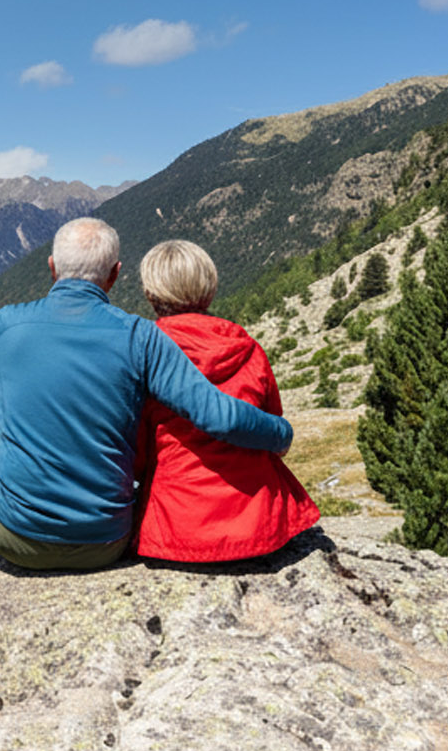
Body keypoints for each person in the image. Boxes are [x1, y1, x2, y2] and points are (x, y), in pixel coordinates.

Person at [0, 217, 294, 594]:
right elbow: (216, 415)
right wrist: (281, 434)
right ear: (114, 275)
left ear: (52, 268)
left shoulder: (5, 324)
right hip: (106, 543)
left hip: (16, 536)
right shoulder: (141, 338)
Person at [133, 240, 318, 562]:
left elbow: (133, 451)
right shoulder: (246, 346)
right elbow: (269, 423)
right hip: (260, 522)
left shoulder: (141, 354)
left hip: (174, 526)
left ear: (150, 294)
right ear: (210, 289)